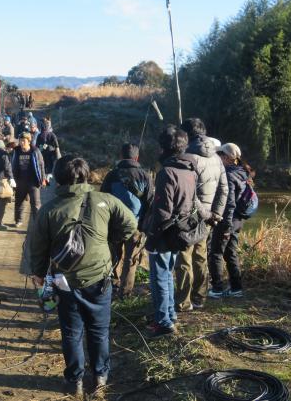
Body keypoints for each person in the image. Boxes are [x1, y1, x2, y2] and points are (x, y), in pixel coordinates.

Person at [29, 156, 137, 396]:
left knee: (71, 332)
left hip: (65, 282)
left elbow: (37, 249)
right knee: (99, 331)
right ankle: (100, 378)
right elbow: (131, 225)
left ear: (58, 178)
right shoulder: (106, 200)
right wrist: (108, 241)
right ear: (87, 175)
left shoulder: (49, 210)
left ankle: (74, 382)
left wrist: (37, 275)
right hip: (100, 278)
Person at [145, 126, 197, 337]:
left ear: (163, 148)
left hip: (164, 233)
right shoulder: (189, 170)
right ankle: (169, 314)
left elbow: (162, 210)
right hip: (179, 231)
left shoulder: (166, 172)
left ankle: (163, 322)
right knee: (167, 275)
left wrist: (151, 236)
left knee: (159, 278)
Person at [175, 118, 228, 312]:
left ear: (186, 135)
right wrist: (216, 214)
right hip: (208, 218)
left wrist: (206, 213)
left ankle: (183, 301)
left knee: (184, 258)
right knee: (200, 256)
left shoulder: (188, 157)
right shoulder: (216, 157)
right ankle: (200, 297)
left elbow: (189, 192)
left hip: (189, 215)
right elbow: (224, 189)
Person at [100, 143, 154, 298]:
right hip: (136, 226)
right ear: (137, 157)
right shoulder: (145, 176)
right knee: (131, 260)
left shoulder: (112, 175)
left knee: (113, 256)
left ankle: (112, 285)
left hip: (114, 225)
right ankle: (125, 293)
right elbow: (150, 204)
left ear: (121, 156)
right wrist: (144, 227)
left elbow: (103, 199)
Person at [208, 143, 252, 298]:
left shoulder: (228, 175)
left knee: (215, 253)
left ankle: (217, 289)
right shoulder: (242, 172)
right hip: (238, 220)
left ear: (226, 157)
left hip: (227, 220)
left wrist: (225, 226)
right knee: (230, 253)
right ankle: (236, 287)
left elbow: (229, 203)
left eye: (220, 154)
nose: (218, 157)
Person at [11, 132, 46, 227]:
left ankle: (37, 223)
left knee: (36, 204)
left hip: (33, 182)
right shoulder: (16, 151)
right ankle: (18, 220)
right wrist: (12, 178)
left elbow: (41, 165)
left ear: (29, 141)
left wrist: (43, 179)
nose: (21, 143)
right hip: (20, 181)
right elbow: (12, 164)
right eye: (20, 141)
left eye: (24, 141)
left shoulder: (35, 151)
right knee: (18, 202)